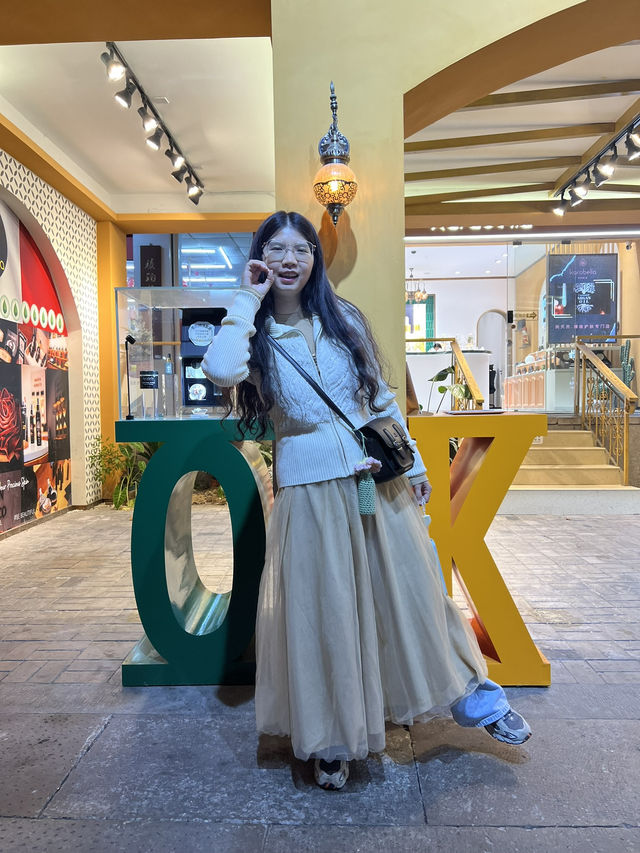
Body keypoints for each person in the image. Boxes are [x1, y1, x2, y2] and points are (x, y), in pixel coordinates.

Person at [202, 211, 531, 791]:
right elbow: (220, 368)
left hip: (376, 480)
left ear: (315, 259)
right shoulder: (251, 334)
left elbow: (379, 397)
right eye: (275, 249)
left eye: (301, 248)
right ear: (260, 257)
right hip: (308, 492)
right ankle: (332, 741)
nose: (289, 259)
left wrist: (419, 464)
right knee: (326, 614)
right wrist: (245, 298)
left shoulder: (342, 318)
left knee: (414, 597)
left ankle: (475, 702)